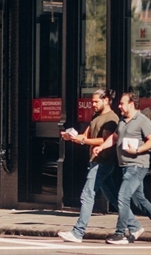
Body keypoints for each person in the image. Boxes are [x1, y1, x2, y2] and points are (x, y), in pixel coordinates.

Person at [57, 88, 138, 243]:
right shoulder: (96, 116)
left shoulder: (112, 119)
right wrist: (72, 137)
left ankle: (78, 232)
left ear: (106, 100)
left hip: (104, 162)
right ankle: (134, 225)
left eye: (96, 101)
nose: (92, 104)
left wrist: (82, 141)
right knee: (114, 198)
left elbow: (104, 140)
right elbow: (85, 136)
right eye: (91, 101)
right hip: (95, 160)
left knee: (87, 195)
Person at [94, 92, 151, 245]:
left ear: (131, 104)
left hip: (137, 166)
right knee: (139, 200)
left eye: (122, 103)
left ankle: (121, 233)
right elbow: (115, 137)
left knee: (123, 196)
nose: (119, 106)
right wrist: (102, 147)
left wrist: (137, 150)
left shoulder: (142, 120)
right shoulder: (123, 120)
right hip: (125, 166)